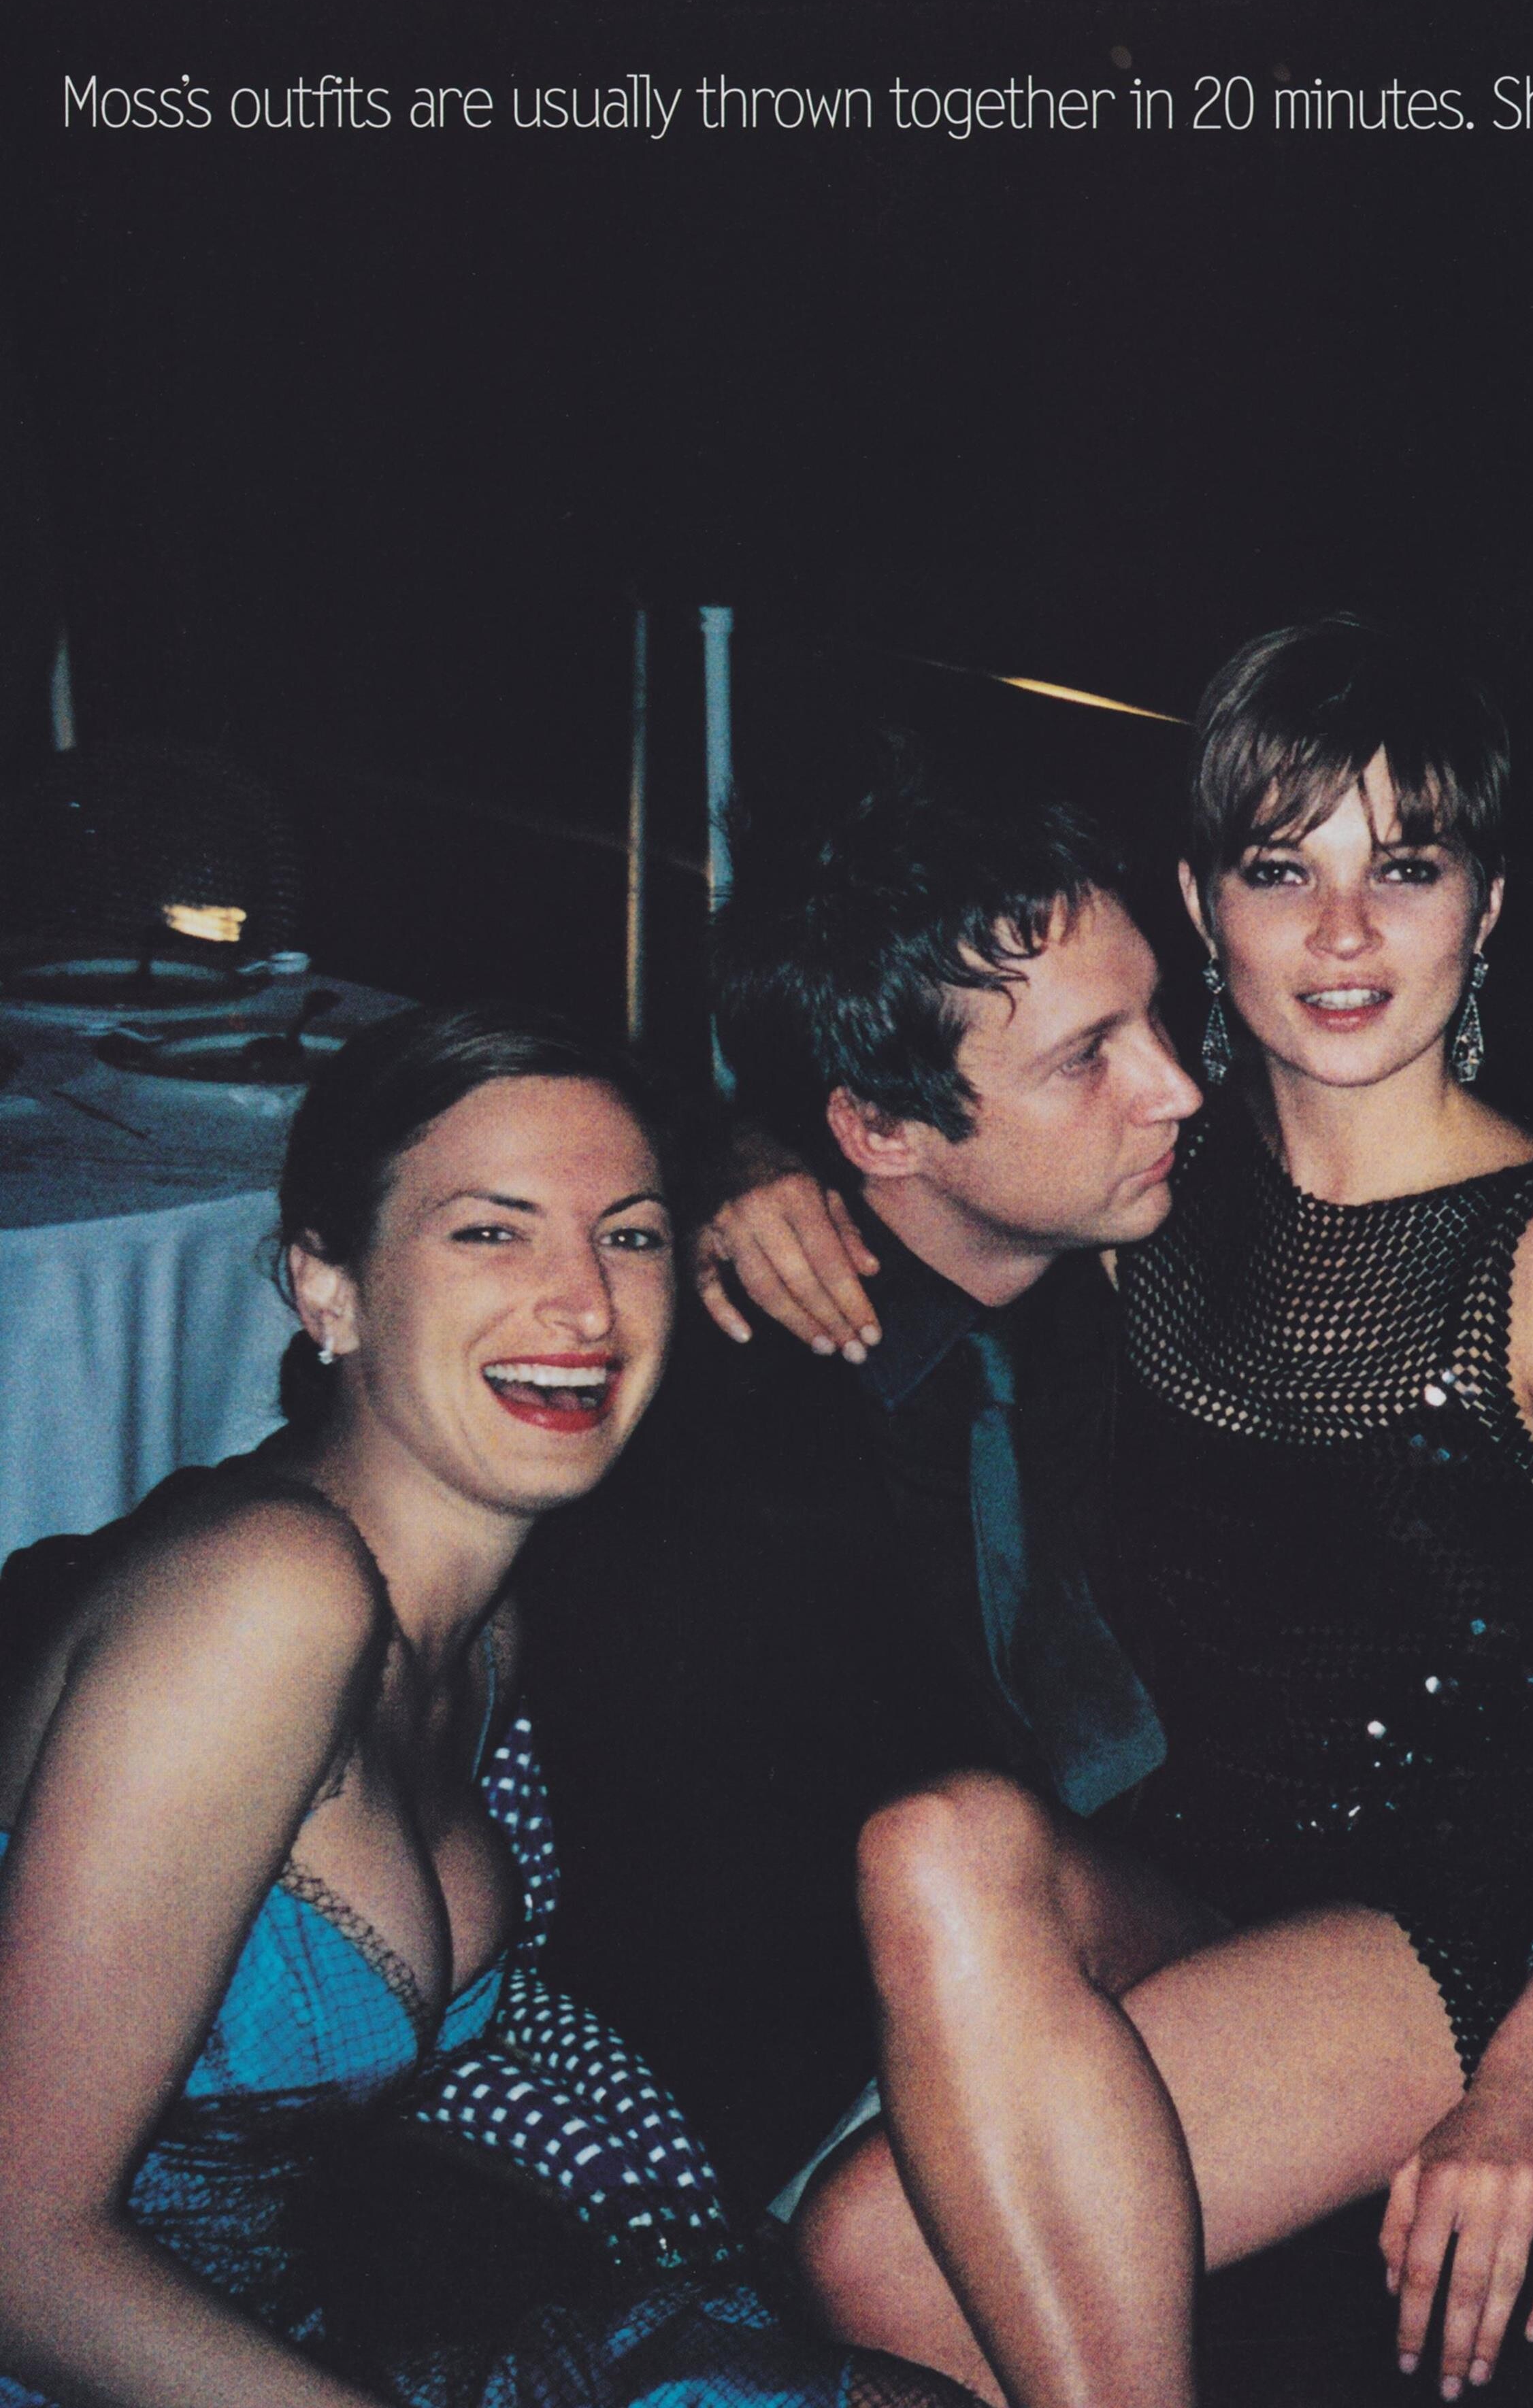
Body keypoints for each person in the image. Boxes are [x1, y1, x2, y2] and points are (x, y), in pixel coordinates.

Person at [706, 620, 1533, 2406]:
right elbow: (922, 1144)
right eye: (1280, 869)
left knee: (879, 2255)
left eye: (1406, 868)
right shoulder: (1153, 1181)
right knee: (930, 1870)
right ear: (1199, 903)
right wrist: (744, 1160)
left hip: (1466, 1927)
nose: (1343, 934)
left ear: (1484, 909)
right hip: (1194, 1885)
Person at [0, 1001, 976, 2408]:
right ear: (327, 1288)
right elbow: (19, 2251)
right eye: (490, 1232)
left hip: (275, 2335)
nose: (584, 1303)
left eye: (630, 1235)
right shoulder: (265, 1596)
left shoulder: (485, 1622)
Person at [513, 768, 1202, 2215]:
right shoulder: (714, 1443)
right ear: (882, 1132)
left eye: (1155, 1015)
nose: (1176, 1086)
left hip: (1126, 1934)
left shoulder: (1104, 1276)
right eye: (1089, 1057)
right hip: (841, 2093)